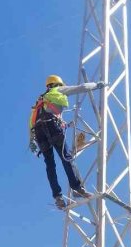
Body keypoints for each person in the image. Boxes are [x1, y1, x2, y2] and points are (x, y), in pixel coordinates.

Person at [28, 74, 105, 209]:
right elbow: (82, 87)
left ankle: (57, 196)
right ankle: (77, 187)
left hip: (39, 134)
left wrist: (33, 143)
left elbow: (31, 126)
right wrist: (98, 85)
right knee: (66, 157)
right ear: (57, 84)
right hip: (52, 126)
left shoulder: (39, 103)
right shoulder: (56, 91)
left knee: (50, 165)